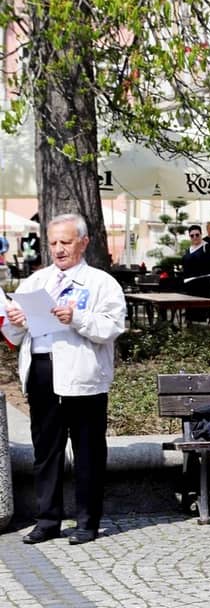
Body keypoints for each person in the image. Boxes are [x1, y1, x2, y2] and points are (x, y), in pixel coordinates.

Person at [1, 214, 126, 545]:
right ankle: (47, 520)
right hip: (42, 371)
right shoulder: (36, 281)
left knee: (88, 451)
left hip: (83, 375)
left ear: (83, 243)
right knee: (46, 450)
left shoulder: (101, 283)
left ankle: (87, 521)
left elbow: (112, 327)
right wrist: (16, 320)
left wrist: (77, 317)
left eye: (66, 242)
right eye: (53, 242)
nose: (58, 249)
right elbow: (15, 332)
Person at [181, 224, 210, 324]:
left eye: (197, 235)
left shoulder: (207, 248)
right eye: (192, 236)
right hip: (189, 287)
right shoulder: (188, 250)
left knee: (199, 314)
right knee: (190, 315)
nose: (195, 237)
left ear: (201, 234)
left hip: (203, 286)